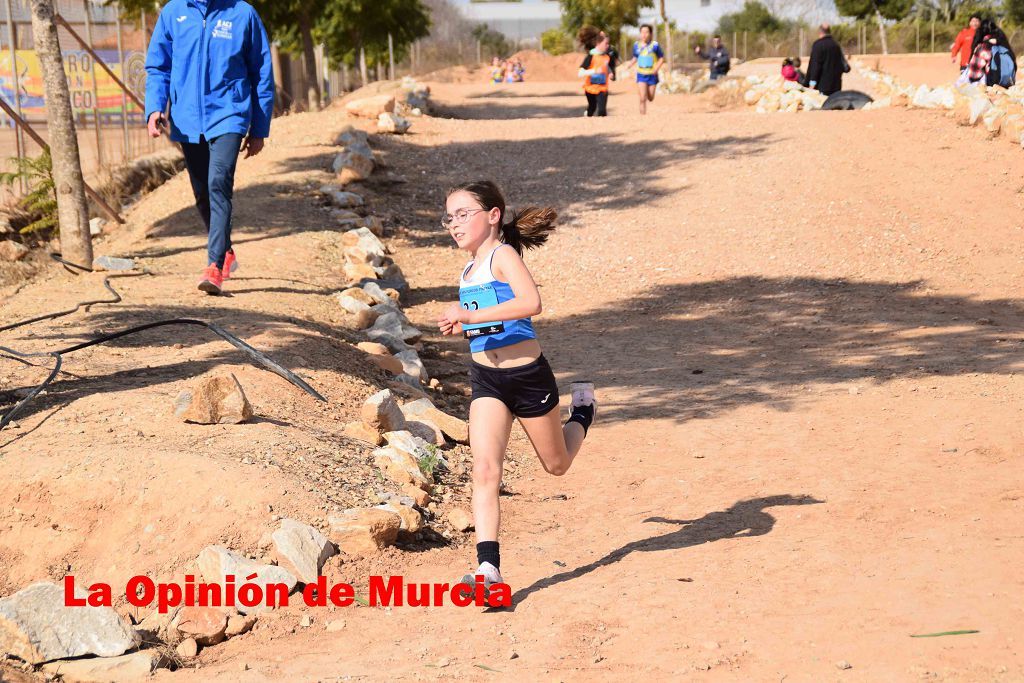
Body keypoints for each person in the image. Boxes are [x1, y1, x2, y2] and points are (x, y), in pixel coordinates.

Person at [437, 180, 597, 594]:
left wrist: (470, 316)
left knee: (556, 466)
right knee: (485, 470)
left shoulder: (502, 255)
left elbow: (530, 303)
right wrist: (464, 324)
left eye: (462, 214)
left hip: (527, 378)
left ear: (493, 216)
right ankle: (488, 570)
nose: (454, 224)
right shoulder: (468, 268)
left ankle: (583, 414)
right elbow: (491, 321)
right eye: (449, 217)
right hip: (486, 379)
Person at [145, 0, 274, 295]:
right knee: (202, 192)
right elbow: (158, 66)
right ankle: (226, 250)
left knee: (219, 182)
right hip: (187, 118)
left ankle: (214, 266)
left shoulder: (242, 14)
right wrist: (155, 107)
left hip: (230, 113)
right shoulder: (173, 12)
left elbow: (261, 73)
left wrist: (259, 128)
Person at [622, 25, 664, 115]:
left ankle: (649, 95)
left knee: (650, 97)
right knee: (642, 98)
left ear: (650, 34)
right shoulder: (636, 45)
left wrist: (656, 69)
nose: (644, 34)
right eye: (642, 32)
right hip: (641, 74)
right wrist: (629, 65)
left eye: (646, 32)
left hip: (652, 75)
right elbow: (635, 57)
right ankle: (642, 118)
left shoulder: (655, 45)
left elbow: (661, 58)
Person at [965, 18, 1017, 87]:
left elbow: (974, 74)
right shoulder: (1005, 46)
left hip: (991, 84)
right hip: (1008, 82)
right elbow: (1014, 66)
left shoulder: (983, 47)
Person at [806, 24, 847, 96]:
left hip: (822, 86)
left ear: (820, 32)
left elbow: (815, 65)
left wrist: (812, 83)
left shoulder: (818, 45)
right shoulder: (836, 45)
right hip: (836, 85)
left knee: (823, 106)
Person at [578, 32, 612, 117]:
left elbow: (606, 66)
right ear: (598, 43)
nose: (608, 46)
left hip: (602, 88)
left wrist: (610, 73)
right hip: (590, 88)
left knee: (602, 111)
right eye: (606, 43)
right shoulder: (591, 56)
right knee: (592, 107)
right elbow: (580, 73)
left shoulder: (606, 57)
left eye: (608, 43)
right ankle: (588, 115)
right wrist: (594, 71)